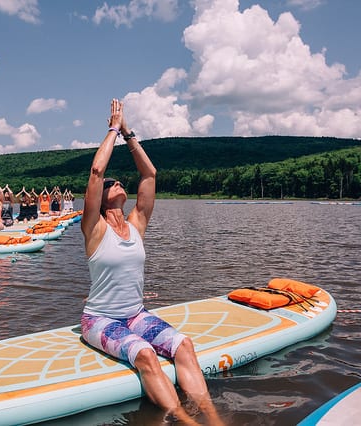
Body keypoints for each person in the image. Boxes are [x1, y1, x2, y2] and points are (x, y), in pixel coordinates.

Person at [80, 99, 222, 425]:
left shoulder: (135, 224)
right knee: (145, 355)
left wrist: (128, 133)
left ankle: (214, 420)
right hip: (100, 320)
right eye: (110, 184)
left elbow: (150, 173)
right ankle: (186, 422)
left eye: (119, 182)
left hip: (135, 316)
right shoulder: (94, 228)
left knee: (184, 346)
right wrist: (112, 129)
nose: (117, 182)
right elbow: (97, 171)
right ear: (98, 199)